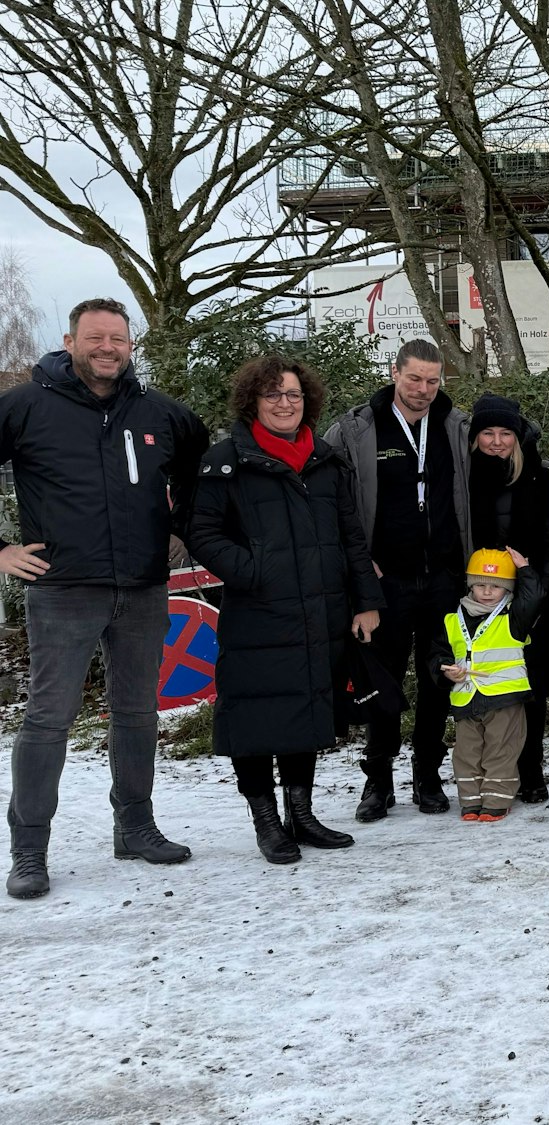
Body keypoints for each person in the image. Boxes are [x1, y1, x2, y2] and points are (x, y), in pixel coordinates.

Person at [1, 298, 208, 900]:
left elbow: (199, 470)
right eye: (95, 338)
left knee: (138, 713)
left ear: (130, 345)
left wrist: (180, 530)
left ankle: (134, 827)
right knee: (48, 719)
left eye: (117, 339)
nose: (107, 348)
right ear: (70, 342)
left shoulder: (158, 412)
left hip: (142, 586)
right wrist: (1, 551)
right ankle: (29, 850)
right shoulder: (24, 405)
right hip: (63, 588)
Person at [185, 355, 380, 866]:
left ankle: (302, 814)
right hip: (258, 613)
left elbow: (351, 536)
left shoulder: (325, 460)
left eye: (293, 394)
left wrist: (366, 601)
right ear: (253, 400)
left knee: (306, 712)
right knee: (253, 715)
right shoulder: (226, 461)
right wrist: (254, 571)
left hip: (322, 612)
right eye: (272, 394)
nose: (284, 403)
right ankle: (266, 821)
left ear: (306, 400)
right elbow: (202, 531)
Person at [321, 339, 471, 821]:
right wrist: (359, 563)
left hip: (444, 578)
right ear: (394, 373)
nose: (423, 389)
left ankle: (428, 775)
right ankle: (378, 780)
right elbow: (330, 502)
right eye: (414, 379)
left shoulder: (457, 426)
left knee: (438, 680)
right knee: (381, 683)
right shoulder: (355, 430)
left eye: (432, 381)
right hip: (385, 582)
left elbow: (503, 456)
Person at [465, 394, 549, 805]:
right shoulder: (463, 478)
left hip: (529, 598)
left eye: (506, 433)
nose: (497, 441)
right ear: (475, 438)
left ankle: (530, 768)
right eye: (488, 433)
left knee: (530, 685)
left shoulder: (539, 477)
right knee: (482, 688)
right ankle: (488, 772)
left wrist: (541, 590)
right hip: (478, 599)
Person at [432, 548, 543, 823]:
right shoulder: (452, 619)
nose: (488, 592)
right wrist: (445, 669)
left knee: (501, 751)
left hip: (505, 698)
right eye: (480, 585)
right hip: (466, 698)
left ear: (508, 589)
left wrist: (524, 569)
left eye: (496, 586)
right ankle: (470, 801)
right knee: (466, 754)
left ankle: (496, 801)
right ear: (470, 586)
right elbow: (437, 653)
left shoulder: (515, 616)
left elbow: (534, 598)